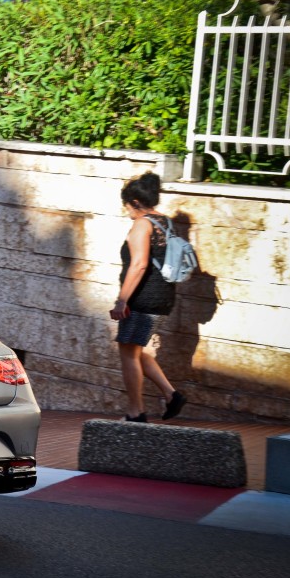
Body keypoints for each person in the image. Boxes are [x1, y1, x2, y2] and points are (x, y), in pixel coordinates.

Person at [108, 171, 187, 422]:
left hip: (143, 299)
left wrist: (122, 300)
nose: (127, 211)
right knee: (135, 349)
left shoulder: (142, 224)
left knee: (128, 353)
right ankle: (171, 395)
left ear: (135, 202)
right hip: (162, 297)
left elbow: (140, 264)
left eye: (127, 206)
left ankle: (135, 412)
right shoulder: (165, 222)